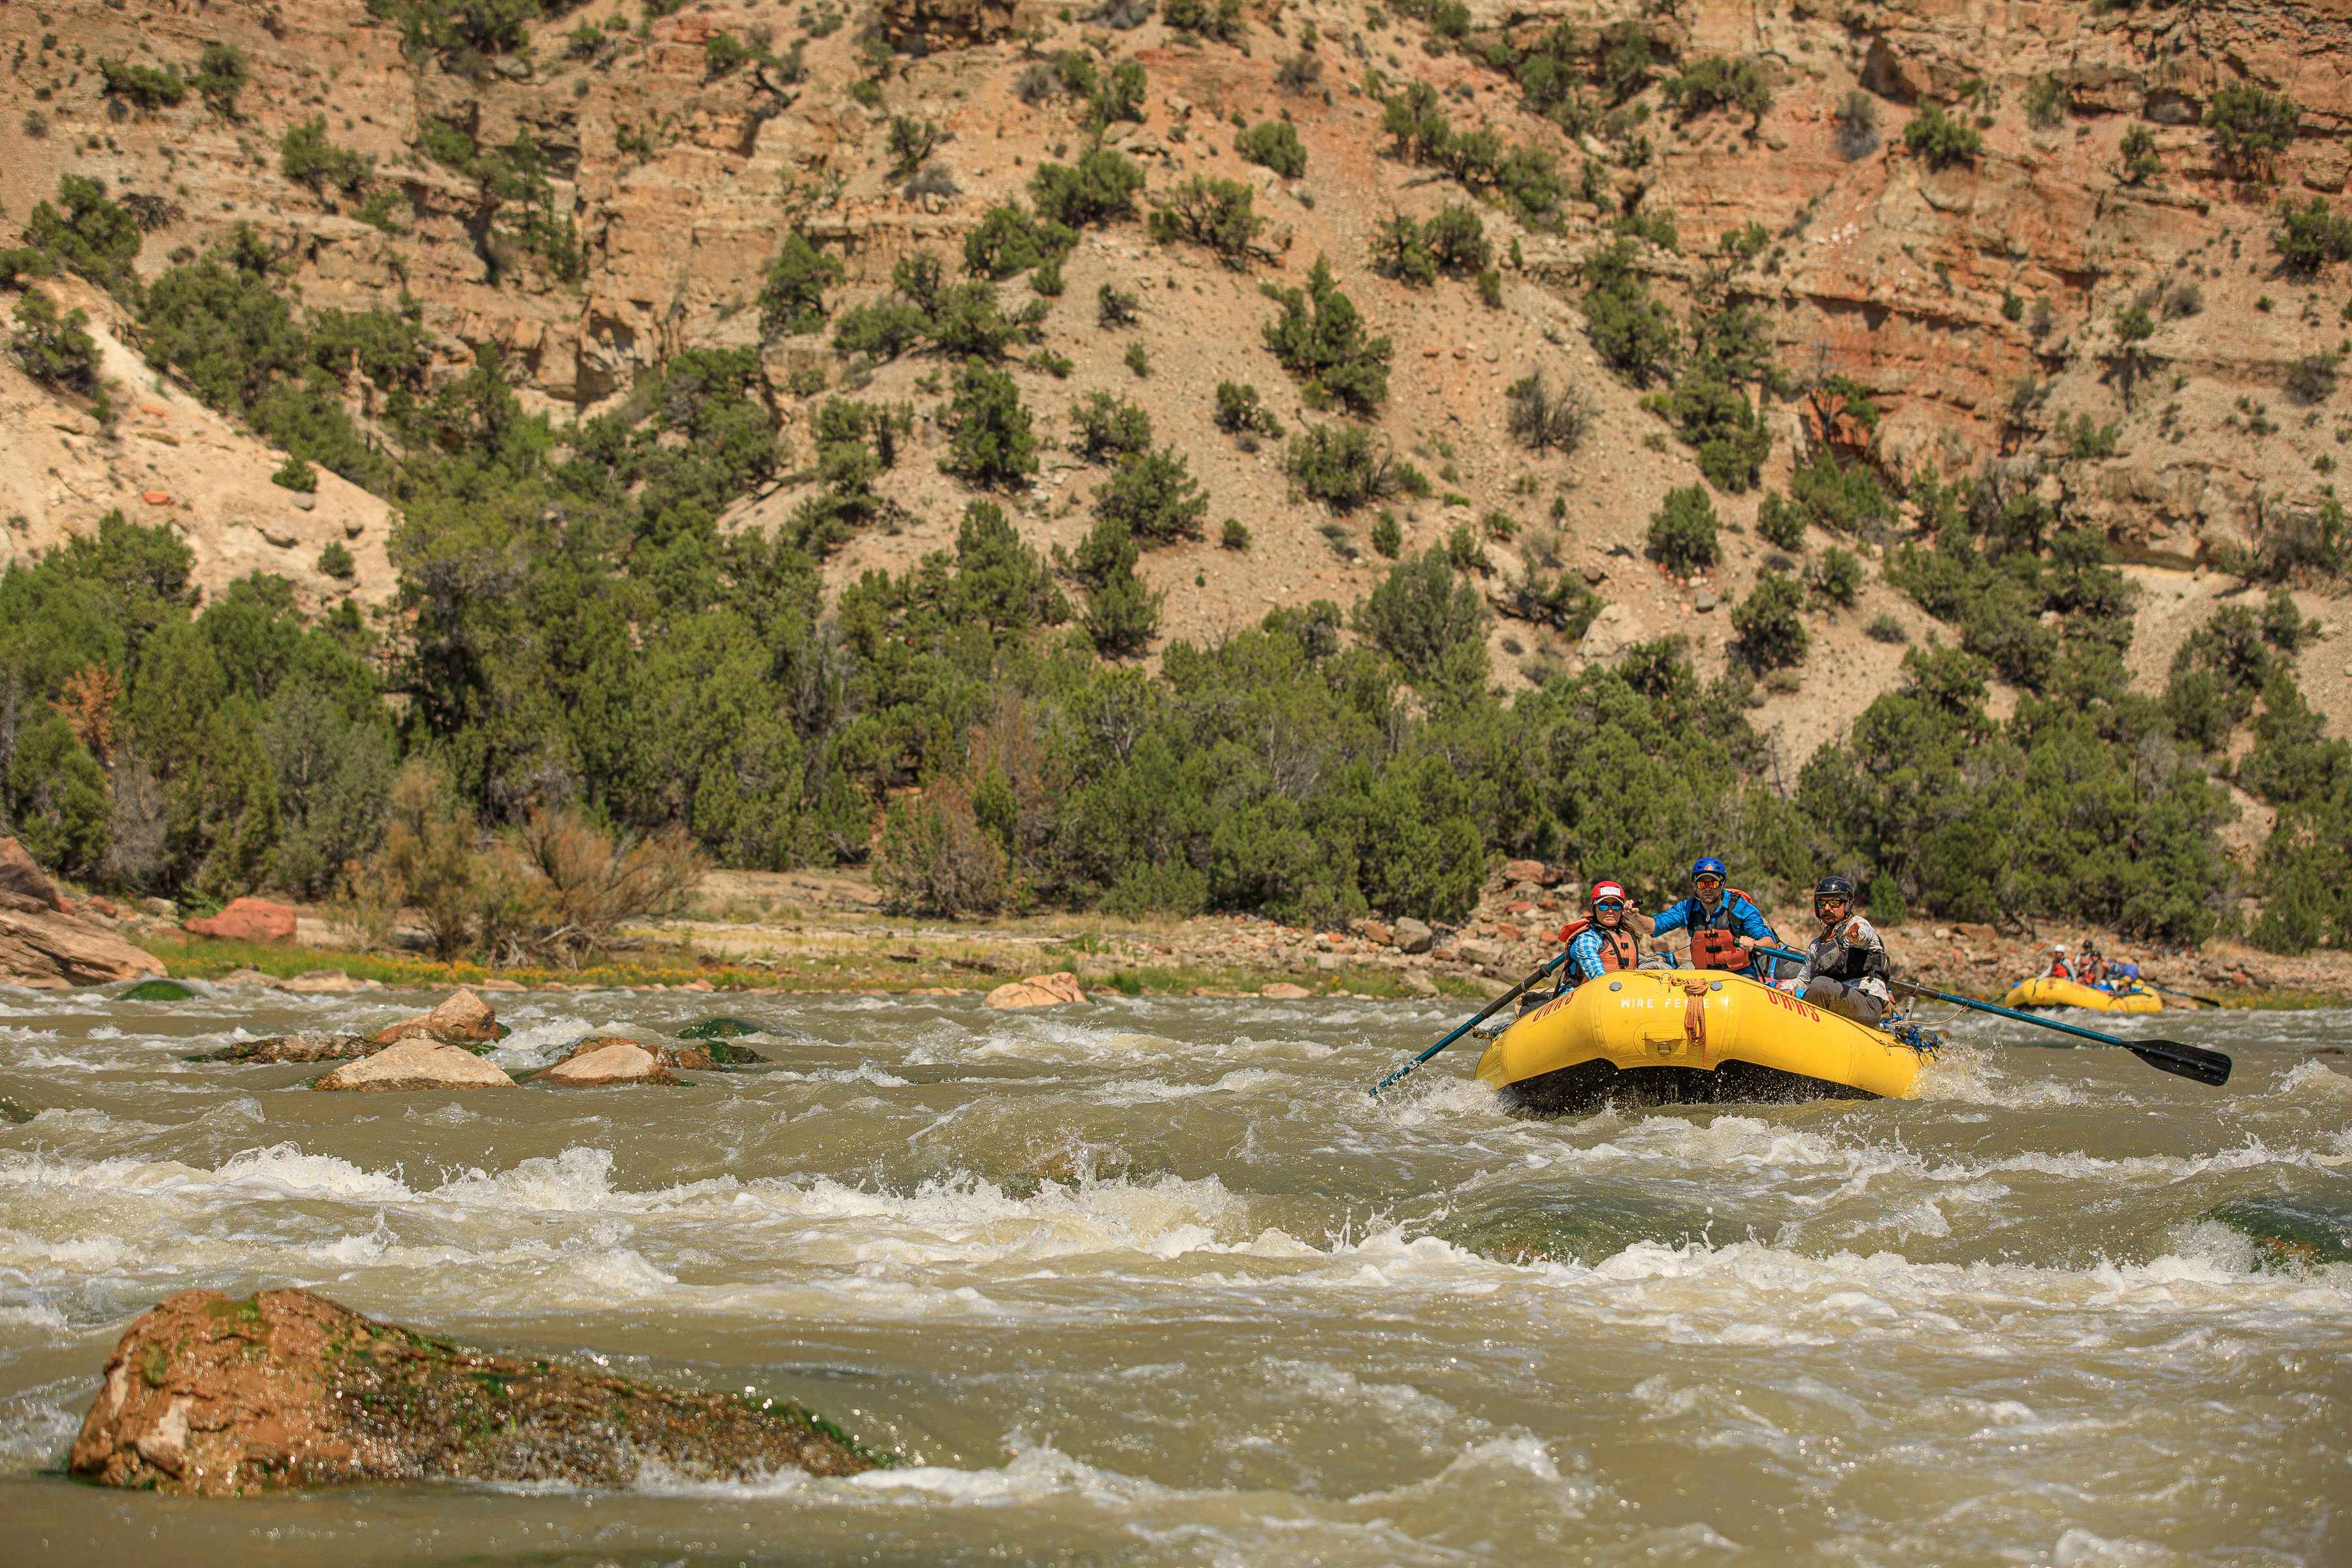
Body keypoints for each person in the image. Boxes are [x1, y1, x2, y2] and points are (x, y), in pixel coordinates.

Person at [1631, 857, 1782, 978]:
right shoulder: (1687, 908)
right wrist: (1634, 917)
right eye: (1702, 884)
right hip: (1704, 977)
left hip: (1740, 976)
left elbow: (1770, 943)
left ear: (1723, 884)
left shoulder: (1740, 908)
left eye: (1714, 883)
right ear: (1694, 885)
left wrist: (1754, 943)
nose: (1708, 889)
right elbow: (1653, 927)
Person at [1777, 874, 1893, 1027]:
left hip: (1867, 1002)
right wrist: (1787, 988)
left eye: (1834, 903)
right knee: (1799, 986)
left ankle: (1798, 1029)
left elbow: (1864, 935)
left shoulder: (1858, 924)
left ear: (1847, 905)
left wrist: (1854, 936)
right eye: (1822, 903)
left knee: (1820, 986)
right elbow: (1804, 980)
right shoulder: (1816, 946)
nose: (1827, 908)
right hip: (1837, 1003)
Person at [1556, 879, 1641, 992]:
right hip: (1582, 998)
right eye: (1603, 906)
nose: (1610, 911)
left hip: (1618, 993)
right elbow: (1598, 975)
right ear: (1594, 909)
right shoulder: (1587, 938)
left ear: (1622, 910)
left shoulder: (1625, 935)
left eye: (1616, 906)